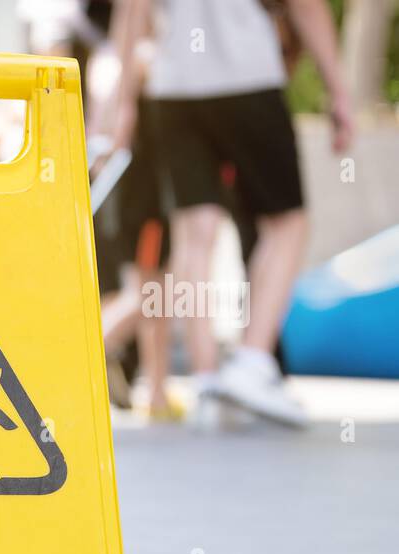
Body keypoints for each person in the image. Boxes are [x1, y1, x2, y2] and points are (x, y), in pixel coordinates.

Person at [107, 0, 354, 428]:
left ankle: (206, 382)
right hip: (246, 74)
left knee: (193, 234)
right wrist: (338, 90)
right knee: (287, 223)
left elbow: (133, 8)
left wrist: (124, 99)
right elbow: (307, 7)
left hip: (174, 84)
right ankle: (253, 362)